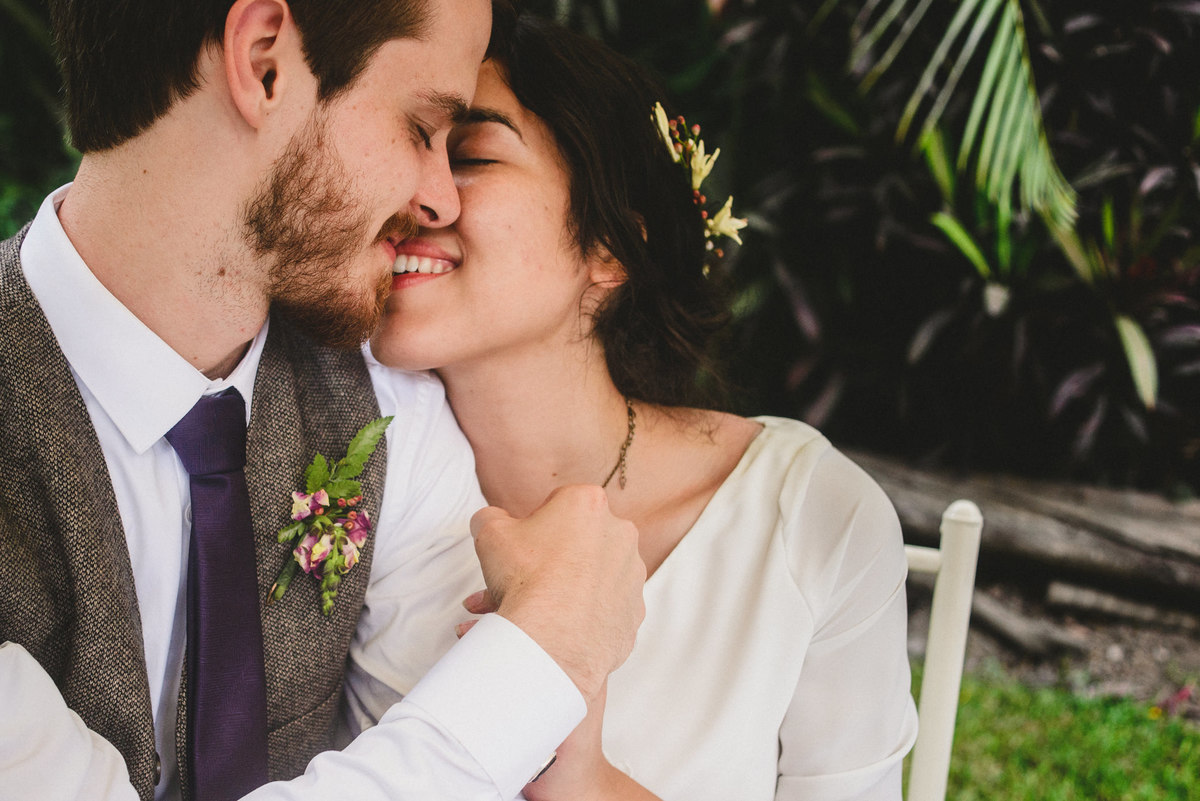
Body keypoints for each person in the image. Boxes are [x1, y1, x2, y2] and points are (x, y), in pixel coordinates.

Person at [0, 1, 647, 800]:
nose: (441, 200)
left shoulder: (390, 410)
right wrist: (546, 650)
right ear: (264, 61)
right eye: (422, 127)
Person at [370, 14, 918, 800]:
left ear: (611, 250)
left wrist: (581, 777)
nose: (418, 193)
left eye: (469, 155)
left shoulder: (810, 521)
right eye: (410, 145)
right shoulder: (337, 460)